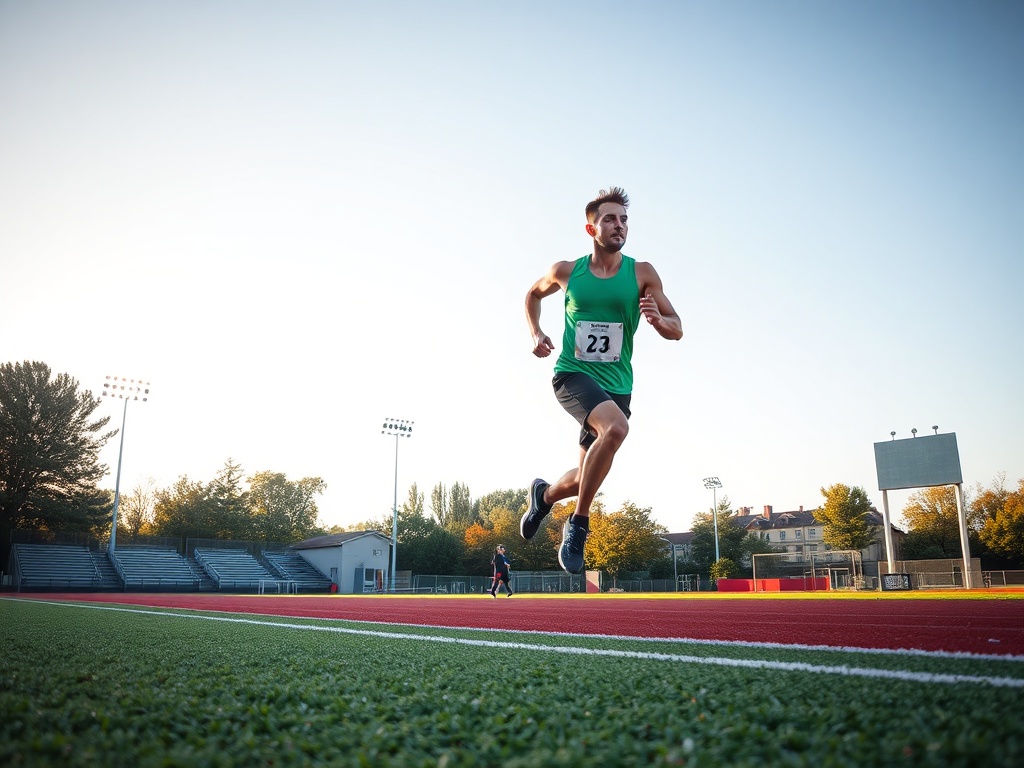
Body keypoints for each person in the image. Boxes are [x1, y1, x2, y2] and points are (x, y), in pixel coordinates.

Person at [521, 187, 683, 574]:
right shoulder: (566, 271)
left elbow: (677, 327)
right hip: (573, 375)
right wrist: (536, 332)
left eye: (624, 219)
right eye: (609, 219)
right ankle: (578, 526)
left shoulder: (642, 273)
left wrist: (658, 321)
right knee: (617, 428)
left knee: (585, 477)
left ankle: (544, 496)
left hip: (617, 386)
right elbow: (532, 295)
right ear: (591, 229)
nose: (619, 225)